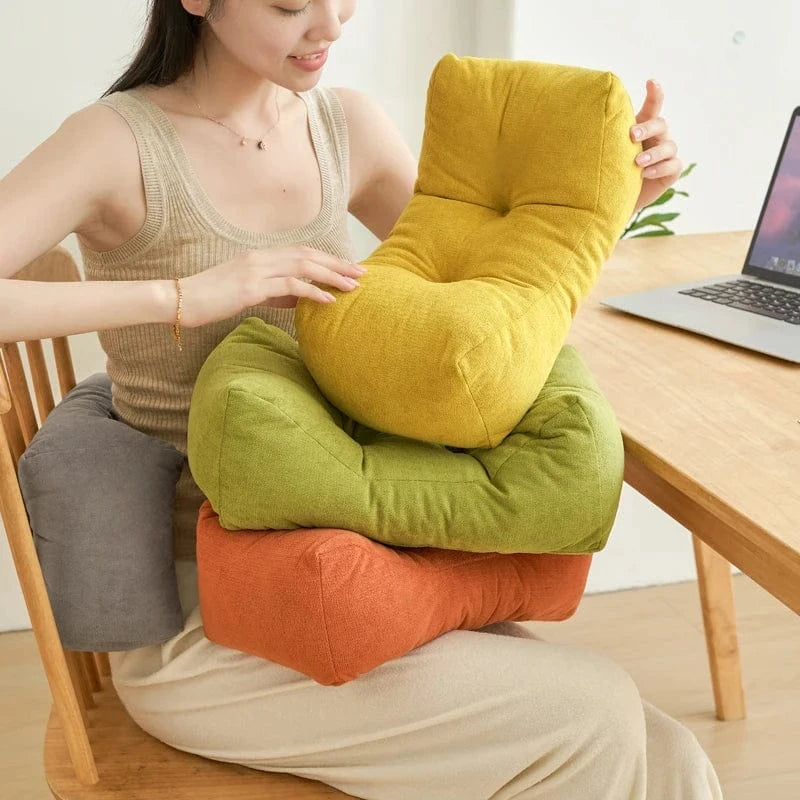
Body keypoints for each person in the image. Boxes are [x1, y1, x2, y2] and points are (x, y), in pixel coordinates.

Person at [0, 1, 722, 798]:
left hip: (359, 574)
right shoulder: (116, 143)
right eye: (288, 4)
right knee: (593, 716)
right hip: (206, 626)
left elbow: (482, 298)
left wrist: (617, 199)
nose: (328, 27)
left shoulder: (347, 127)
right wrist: (187, 294)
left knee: (670, 755)